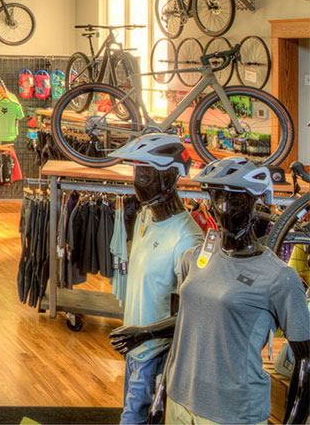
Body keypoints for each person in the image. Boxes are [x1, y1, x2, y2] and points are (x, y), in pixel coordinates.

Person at [111, 157, 310, 424]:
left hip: (233, 412)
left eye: (236, 201)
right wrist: (161, 392)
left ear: (256, 204)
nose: (225, 209)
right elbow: (185, 328)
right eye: (217, 198)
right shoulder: (193, 258)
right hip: (180, 402)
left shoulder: (279, 278)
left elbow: (305, 359)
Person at [107, 135, 202, 425]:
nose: (137, 184)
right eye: (136, 174)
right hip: (135, 350)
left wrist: (146, 334)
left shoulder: (187, 239)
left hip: (155, 354)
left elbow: (195, 315)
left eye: (145, 175)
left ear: (170, 179)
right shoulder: (146, 216)